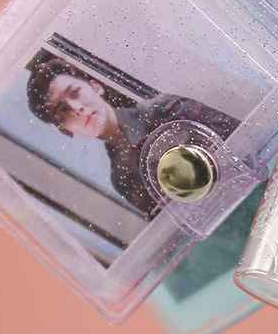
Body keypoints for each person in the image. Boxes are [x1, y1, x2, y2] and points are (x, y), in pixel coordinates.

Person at [26, 57, 240, 217]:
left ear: (95, 87)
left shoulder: (165, 109)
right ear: (65, 130)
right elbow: (179, 224)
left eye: (75, 92)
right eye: (62, 110)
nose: (77, 108)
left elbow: (241, 141)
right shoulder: (124, 178)